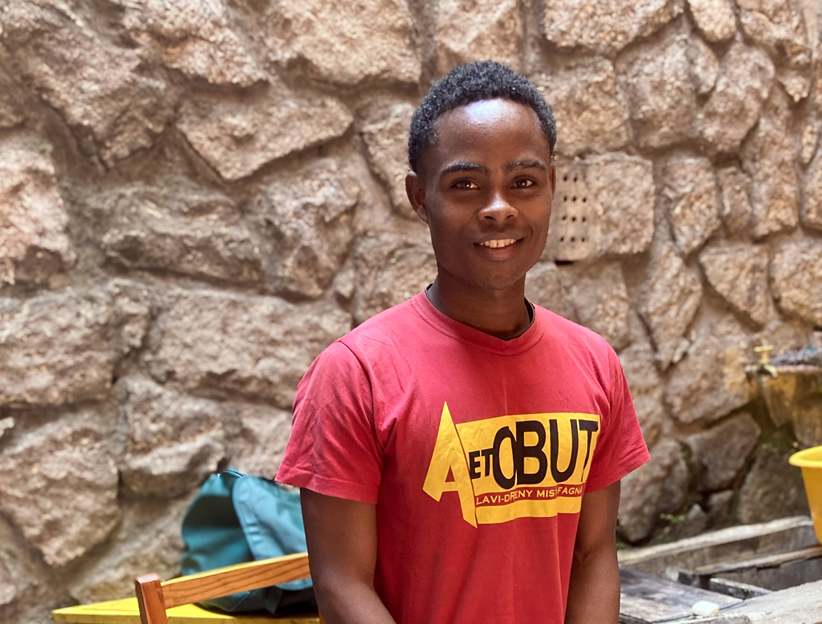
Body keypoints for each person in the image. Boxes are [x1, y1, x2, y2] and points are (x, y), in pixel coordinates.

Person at [276, 61, 649, 624]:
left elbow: (594, 556)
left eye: (523, 181)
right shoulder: (356, 375)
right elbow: (341, 587)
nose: (499, 206)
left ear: (551, 186)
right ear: (419, 197)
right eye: (465, 184)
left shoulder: (594, 364)